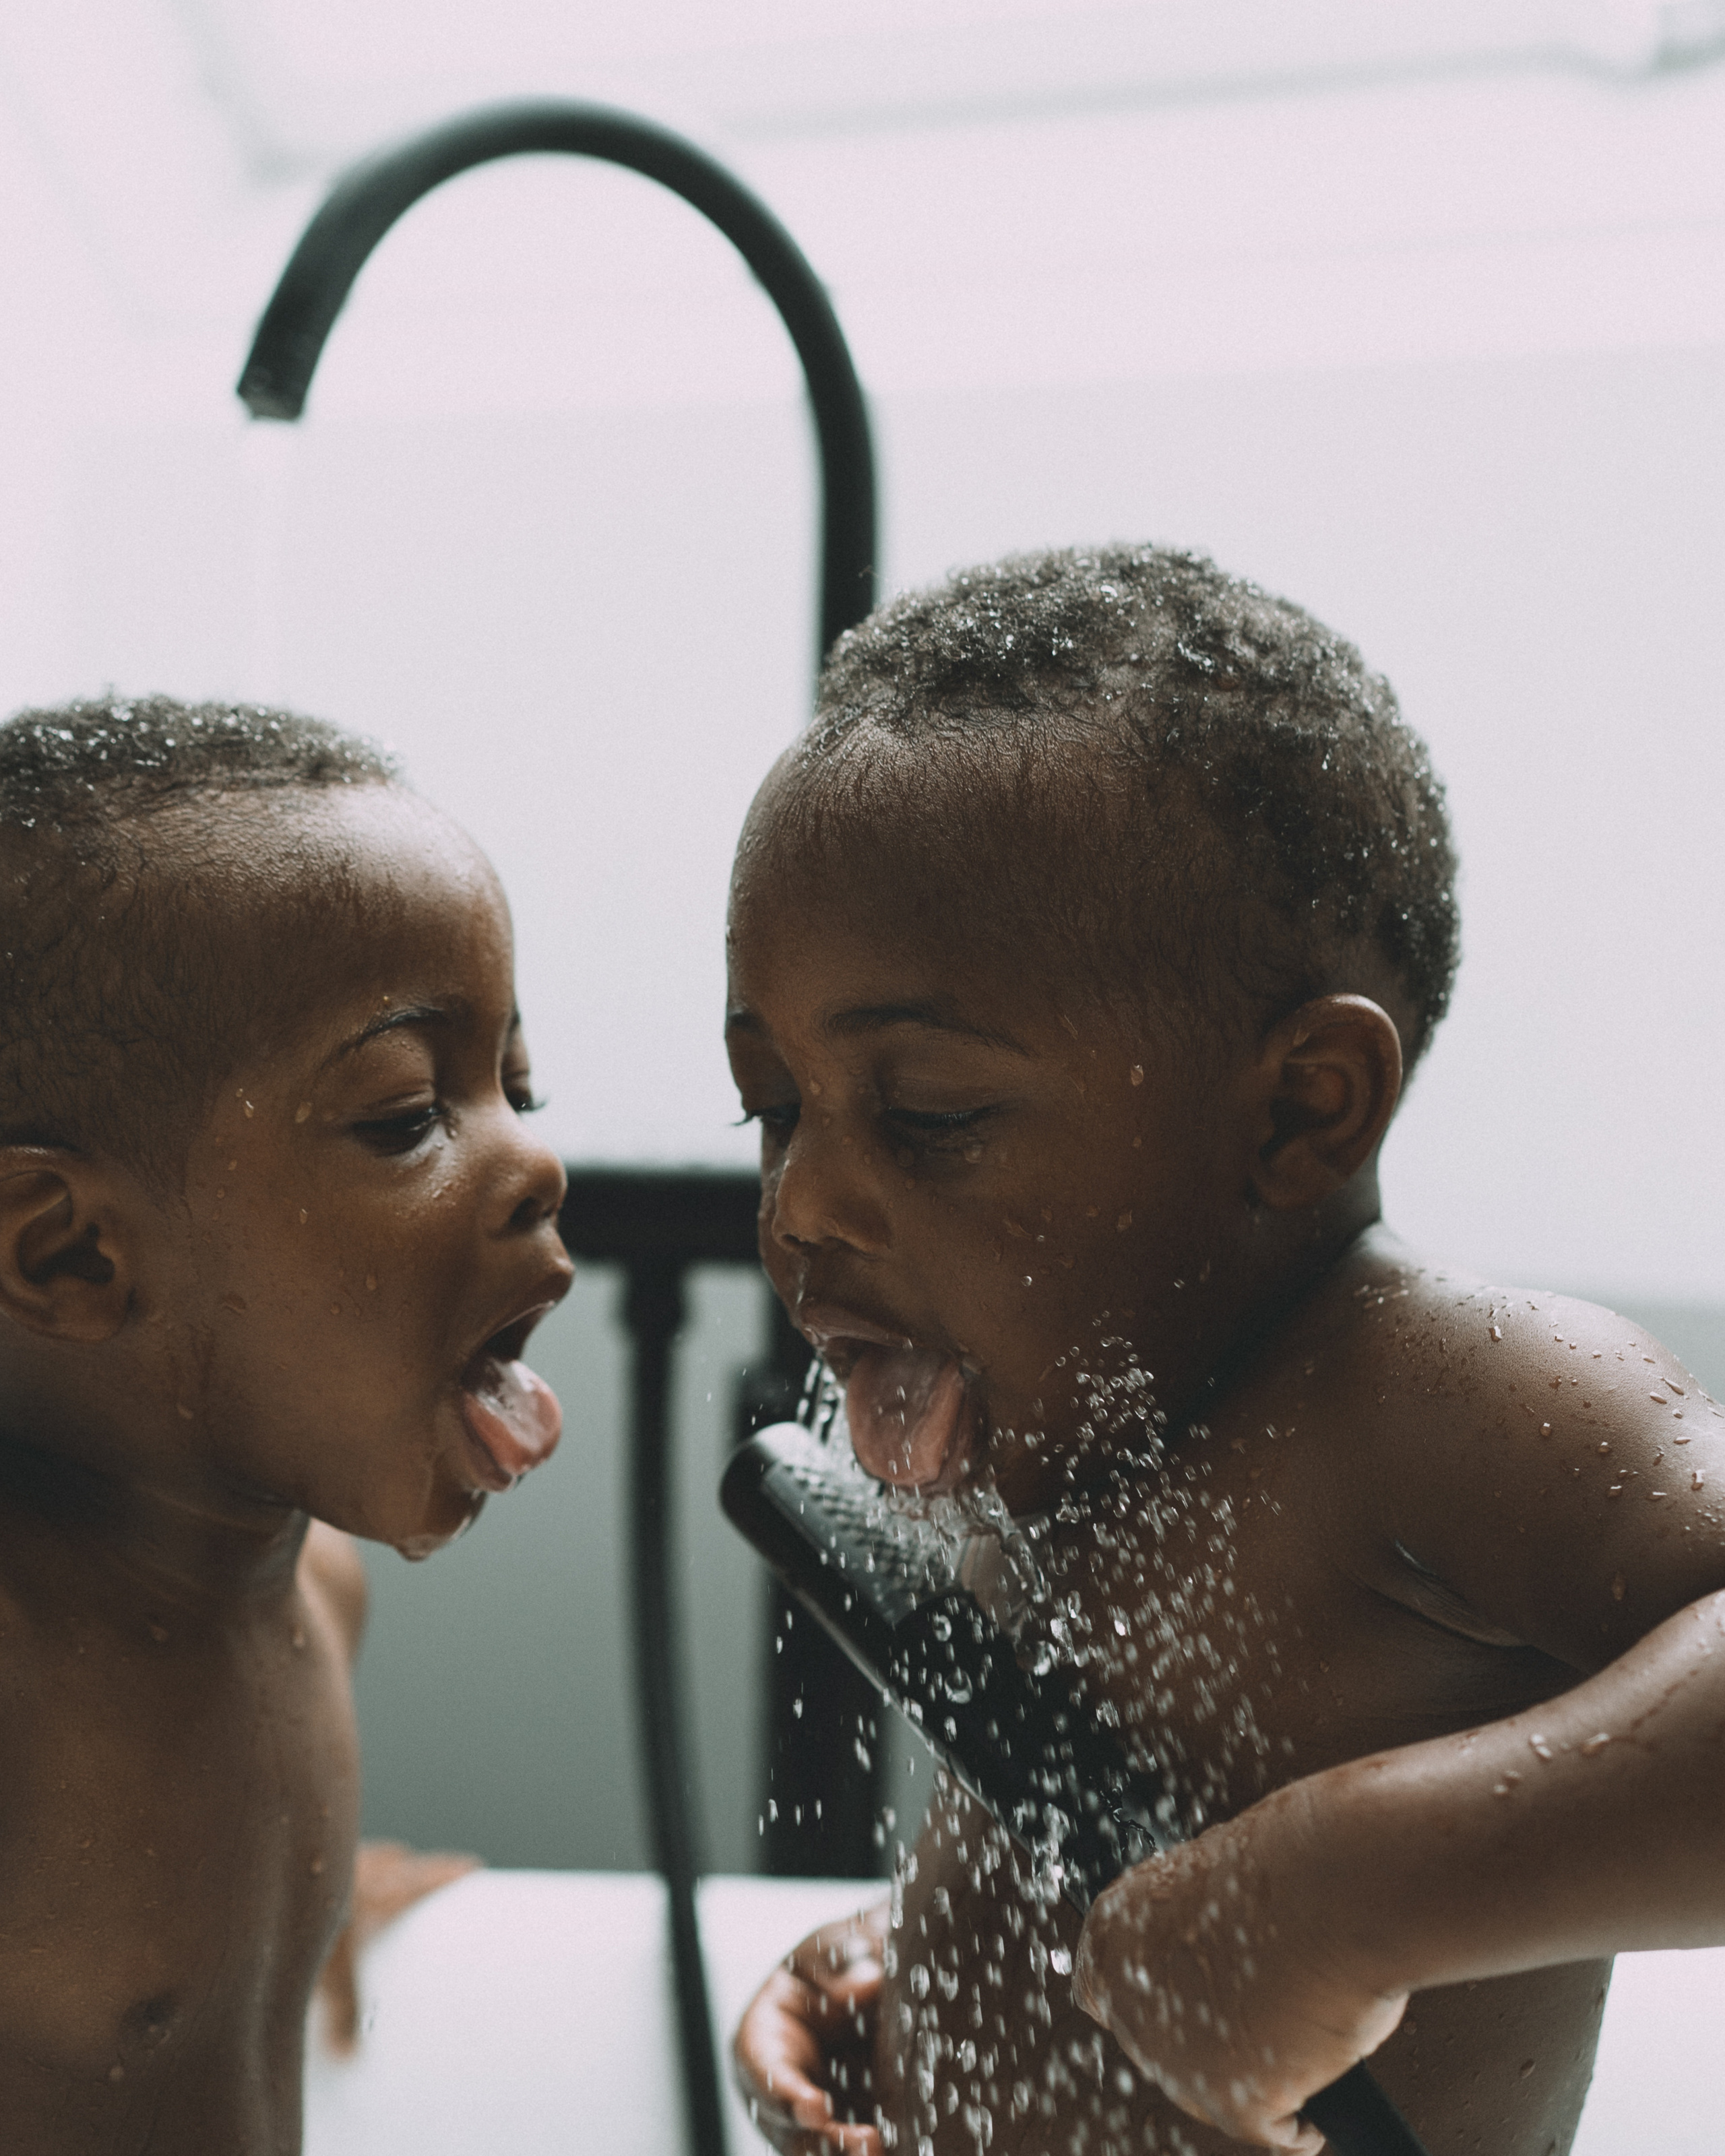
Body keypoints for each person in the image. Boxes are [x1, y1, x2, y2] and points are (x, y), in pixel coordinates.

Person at [724, 548, 1724, 2156]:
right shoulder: (1071, 1406)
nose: (802, 1200)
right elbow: (1123, 1858)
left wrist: (1352, 1890)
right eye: (772, 1105)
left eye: (930, 1116)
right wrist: (921, 1983)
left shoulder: (1428, 1401)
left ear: (1296, 1108)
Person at [0, 696, 571, 2149]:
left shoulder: (318, 1589)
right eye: (402, 1114)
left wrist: (295, 1915)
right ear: (72, 1255)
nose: (534, 1159)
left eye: (516, 1083)